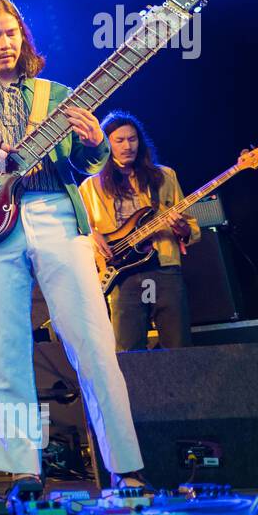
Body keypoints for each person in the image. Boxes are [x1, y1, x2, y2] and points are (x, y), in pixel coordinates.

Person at [0, 0, 148, 491]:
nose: (5, 44)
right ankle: (24, 469)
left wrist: (95, 146)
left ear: (22, 36)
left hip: (55, 213)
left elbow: (84, 168)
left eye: (11, 33)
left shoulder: (59, 94)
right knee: (5, 348)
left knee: (92, 341)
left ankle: (126, 468)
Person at [79, 111, 199, 351]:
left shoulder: (164, 176)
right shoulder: (90, 186)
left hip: (164, 269)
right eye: (119, 140)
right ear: (107, 144)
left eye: (132, 139)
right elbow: (79, 232)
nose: (127, 146)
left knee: (179, 349)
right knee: (128, 354)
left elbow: (191, 226)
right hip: (123, 277)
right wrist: (93, 238)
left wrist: (182, 228)